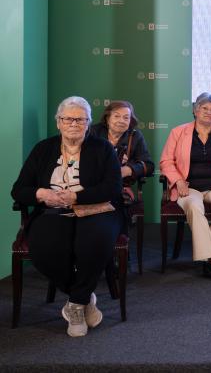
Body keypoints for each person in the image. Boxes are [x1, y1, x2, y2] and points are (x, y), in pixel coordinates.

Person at [12, 97, 123, 337]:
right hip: (52, 212)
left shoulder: (103, 148)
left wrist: (75, 197)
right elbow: (19, 189)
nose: (74, 124)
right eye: (68, 119)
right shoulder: (43, 149)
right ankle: (85, 300)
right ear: (59, 122)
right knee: (45, 250)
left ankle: (74, 306)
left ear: (88, 123)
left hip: (95, 210)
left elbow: (113, 188)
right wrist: (41, 194)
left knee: (93, 243)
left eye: (80, 119)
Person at [160, 92, 211, 279]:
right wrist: (178, 180)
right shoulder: (178, 132)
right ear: (195, 110)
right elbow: (166, 161)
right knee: (193, 207)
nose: (208, 112)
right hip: (188, 187)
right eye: (204, 108)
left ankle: (210, 257)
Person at [89, 100, 155, 205]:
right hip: (92, 186)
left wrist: (127, 170)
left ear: (130, 121)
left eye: (126, 117)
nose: (121, 121)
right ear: (107, 118)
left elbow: (149, 165)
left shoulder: (135, 136)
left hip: (120, 188)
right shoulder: (93, 132)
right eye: (116, 116)